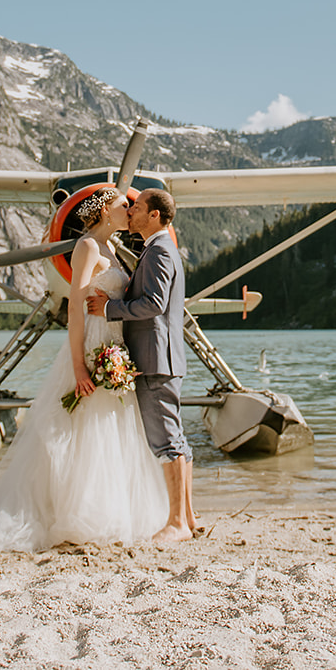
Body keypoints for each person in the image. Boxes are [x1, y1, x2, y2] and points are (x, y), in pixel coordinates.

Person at [0, 188, 168, 553]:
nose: (132, 210)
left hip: (114, 344)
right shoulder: (87, 247)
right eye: (125, 206)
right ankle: (72, 514)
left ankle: (107, 511)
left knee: (110, 430)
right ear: (106, 211)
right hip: (92, 345)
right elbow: (76, 309)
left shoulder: (110, 249)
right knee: (82, 427)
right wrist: (79, 366)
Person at [87, 187, 198, 542]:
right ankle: (189, 519)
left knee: (167, 442)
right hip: (160, 356)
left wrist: (108, 309)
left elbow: (153, 304)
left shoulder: (160, 251)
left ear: (154, 216)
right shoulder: (157, 250)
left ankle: (177, 523)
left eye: (137, 208)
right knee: (177, 439)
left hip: (155, 358)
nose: (131, 212)